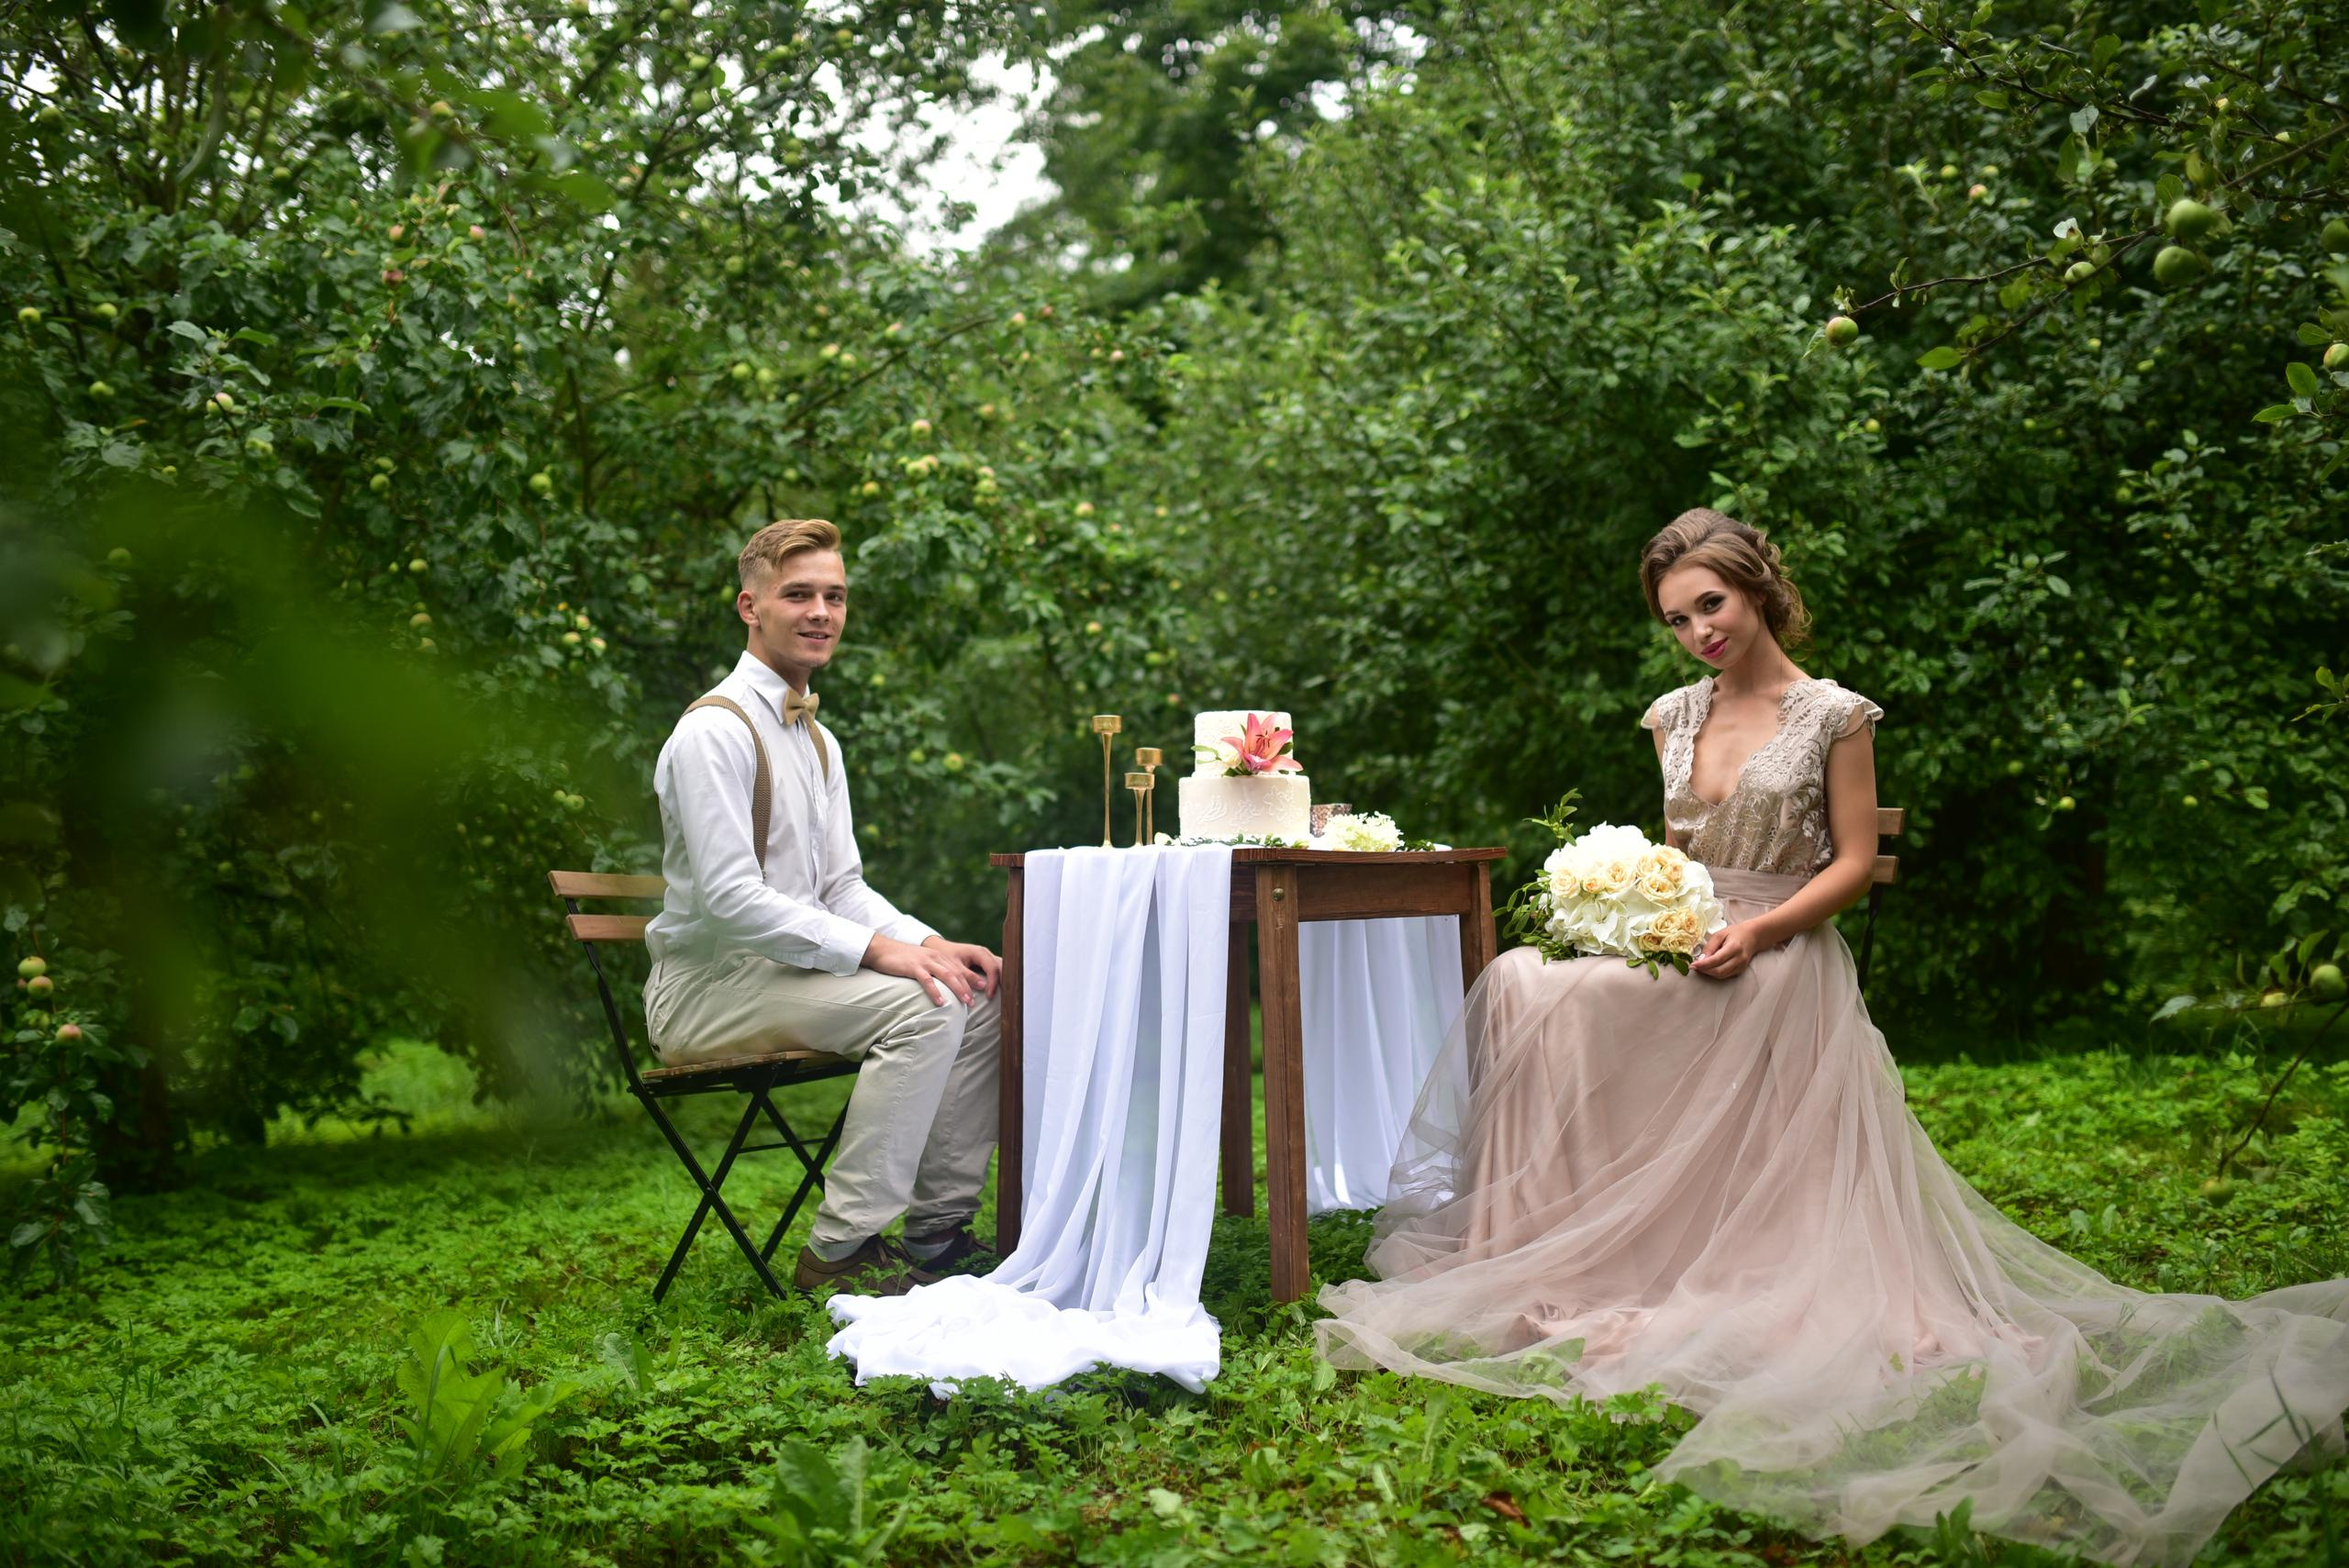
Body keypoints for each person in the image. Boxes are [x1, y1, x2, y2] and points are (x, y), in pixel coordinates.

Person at [1316, 509, 2349, 1565]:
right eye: (1676, 618)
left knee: (1555, 995)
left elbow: (1851, 863)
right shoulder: (1670, 714)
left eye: (1710, 604)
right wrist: (1627, 913)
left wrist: (1757, 929)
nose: (1697, 631)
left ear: (1756, 587)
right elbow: (1671, 858)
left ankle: (1656, 1238)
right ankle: (1552, 1244)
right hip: (1686, 940)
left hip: (1779, 953)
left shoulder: (1832, 715)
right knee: (1527, 981)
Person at [643, 518, 1003, 1297]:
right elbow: (733, 900)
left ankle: (937, 1235)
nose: (820, 612)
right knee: (924, 1008)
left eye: (834, 596)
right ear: (750, 606)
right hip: (707, 991)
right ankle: (839, 1252)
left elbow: (842, 888)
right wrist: (881, 955)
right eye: (798, 593)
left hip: (783, 976)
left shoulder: (818, 740)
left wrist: (930, 942)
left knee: (973, 997)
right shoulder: (713, 733)